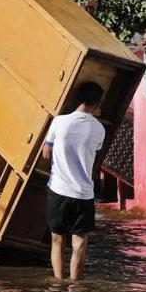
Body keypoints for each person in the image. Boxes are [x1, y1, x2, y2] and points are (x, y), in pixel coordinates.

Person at [42, 81, 106, 281]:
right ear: (96, 104)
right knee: (80, 242)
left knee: (57, 239)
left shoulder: (59, 122)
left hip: (59, 190)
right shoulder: (99, 129)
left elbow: (46, 153)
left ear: (78, 98)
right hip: (84, 194)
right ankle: (75, 288)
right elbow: (94, 153)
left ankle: (60, 284)